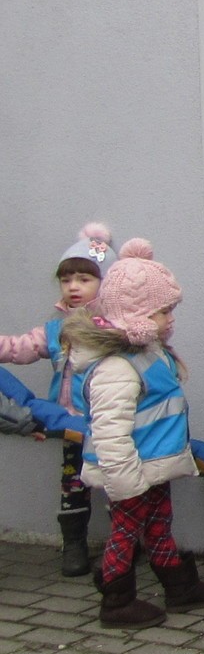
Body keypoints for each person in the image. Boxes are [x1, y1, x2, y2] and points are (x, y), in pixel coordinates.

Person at [65, 239, 204, 626]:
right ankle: (116, 600)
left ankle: (179, 585)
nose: (171, 319)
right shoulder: (117, 368)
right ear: (136, 316)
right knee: (125, 531)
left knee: (158, 522)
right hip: (130, 470)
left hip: (152, 463)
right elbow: (110, 431)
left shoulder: (148, 352)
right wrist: (124, 480)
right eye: (163, 311)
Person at [0, 223, 118, 576]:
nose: (73, 287)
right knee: (72, 483)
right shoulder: (55, 329)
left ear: (106, 282)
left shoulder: (115, 327)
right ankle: (74, 544)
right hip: (69, 422)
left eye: (84, 279)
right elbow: (21, 348)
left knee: (115, 480)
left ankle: (123, 543)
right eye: (66, 280)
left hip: (109, 422)